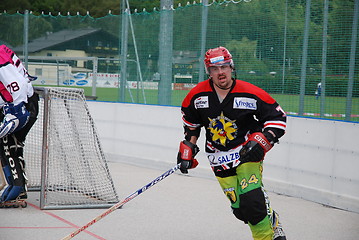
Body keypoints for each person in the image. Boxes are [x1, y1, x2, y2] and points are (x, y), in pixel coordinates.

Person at [177, 46, 287, 240]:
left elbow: (278, 119)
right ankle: (272, 220)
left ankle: (269, 235)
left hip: (247, 154)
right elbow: (192, 125)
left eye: (224, 67)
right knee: (241, 210)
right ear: (208, 72)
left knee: (253, 205)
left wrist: (261, 141)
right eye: (215, 69)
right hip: (219, 158)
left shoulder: (250, 93)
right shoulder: (196, 96)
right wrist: (188, 147)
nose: (220, 72)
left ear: (231, 67)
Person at [0, 44, 39, 206]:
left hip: (21, 106)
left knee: (8, 148)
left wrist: (14, 112)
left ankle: (16, 190)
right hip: (21, 104)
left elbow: (17, 85)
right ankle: (18, 189)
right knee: (12, 148)